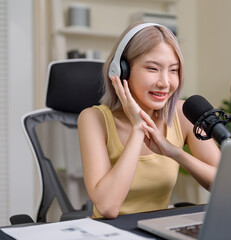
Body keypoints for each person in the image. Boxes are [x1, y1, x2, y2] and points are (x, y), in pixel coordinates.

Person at [78, 23, 220, 219]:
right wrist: (138, 128)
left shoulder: (182, 113)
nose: (165, 83)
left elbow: (225, 183)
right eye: (153, 68)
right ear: (121, 71)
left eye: (173, 70)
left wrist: (176, 153)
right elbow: (108, 207)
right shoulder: (93, 119)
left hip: (158, 231)